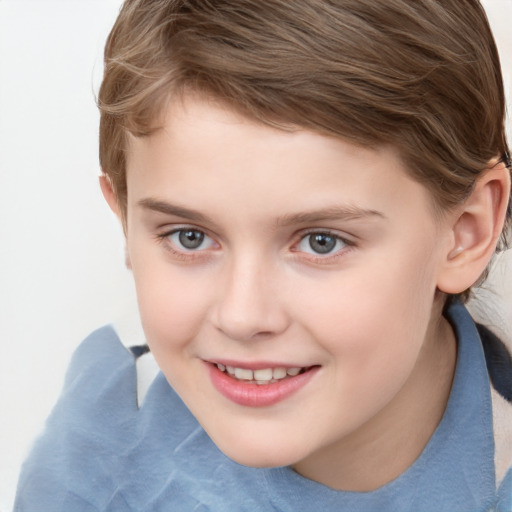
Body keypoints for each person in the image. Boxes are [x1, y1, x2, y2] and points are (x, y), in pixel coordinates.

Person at [14, 0, 512, 510]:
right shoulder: (88, 468)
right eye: (188, 236)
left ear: (465, 233)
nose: (242, 316)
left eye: (322, 241)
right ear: (125, 225)